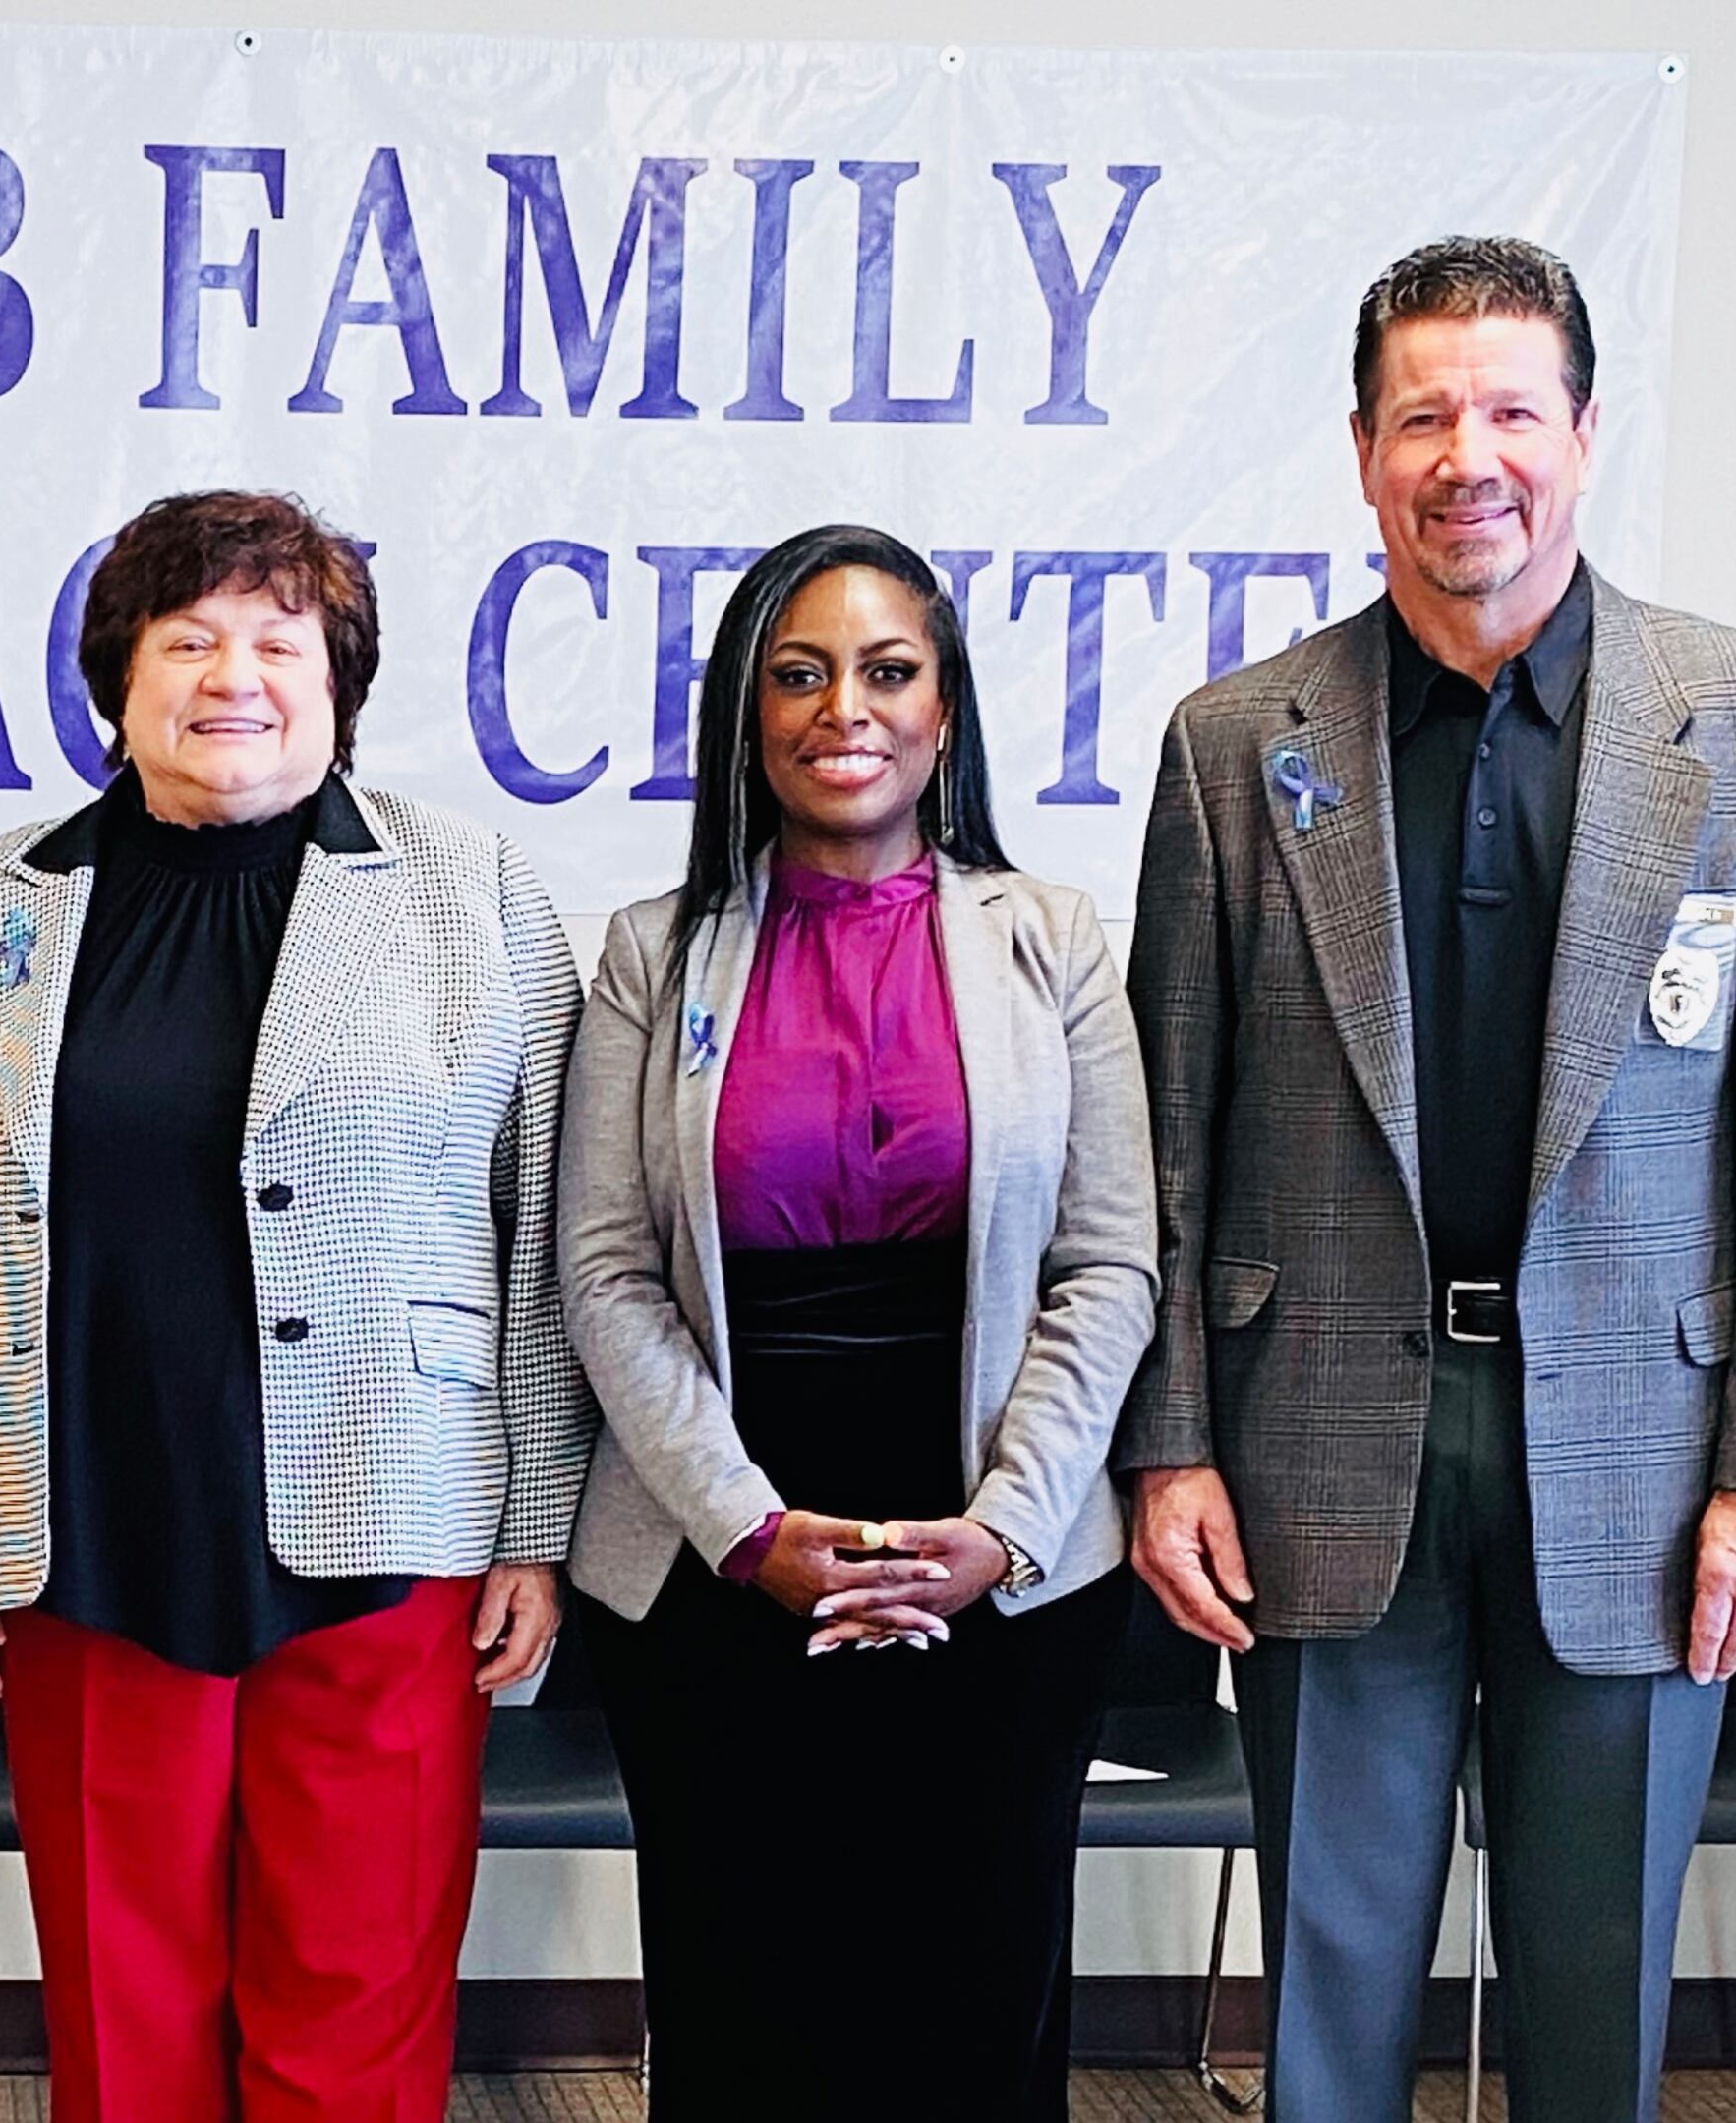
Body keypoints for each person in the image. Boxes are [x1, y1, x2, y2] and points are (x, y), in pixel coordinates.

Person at [1120, 237, 1736, 2123]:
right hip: (1317, 1430)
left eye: (1508, 411)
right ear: (1366, 452)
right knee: (1327, 1986)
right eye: (1423, 416)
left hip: (1648, 1449)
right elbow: (1167, 1126)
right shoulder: (1240, 746)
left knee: (1592, 1989)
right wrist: (1170, 1448)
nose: (1468, 454)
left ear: (1584, 433)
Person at [0, 488, 589, 2121]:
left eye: (279, 639)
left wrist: (536, 1523)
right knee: (123, 2014)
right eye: (187, 638)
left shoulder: (471, 899)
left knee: (360, 1993)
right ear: (116, 680)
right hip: (84, 1535)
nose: (234, 675)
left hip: (393, 1529)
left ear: (338, 679)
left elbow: (545, 1227)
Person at [554, 524, 1156, 2118]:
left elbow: (1111, 1267)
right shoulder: (650, 953)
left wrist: (1005, 1531)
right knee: (748, 2000)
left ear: (946, 713)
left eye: (889, 672)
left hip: (996, 1557)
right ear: (748, 718)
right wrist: (752, 1532)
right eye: (800, 675)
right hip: (715, 1560)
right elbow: (604, 1275)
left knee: (971, 2002)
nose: (847, 709)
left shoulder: (1057, 943)